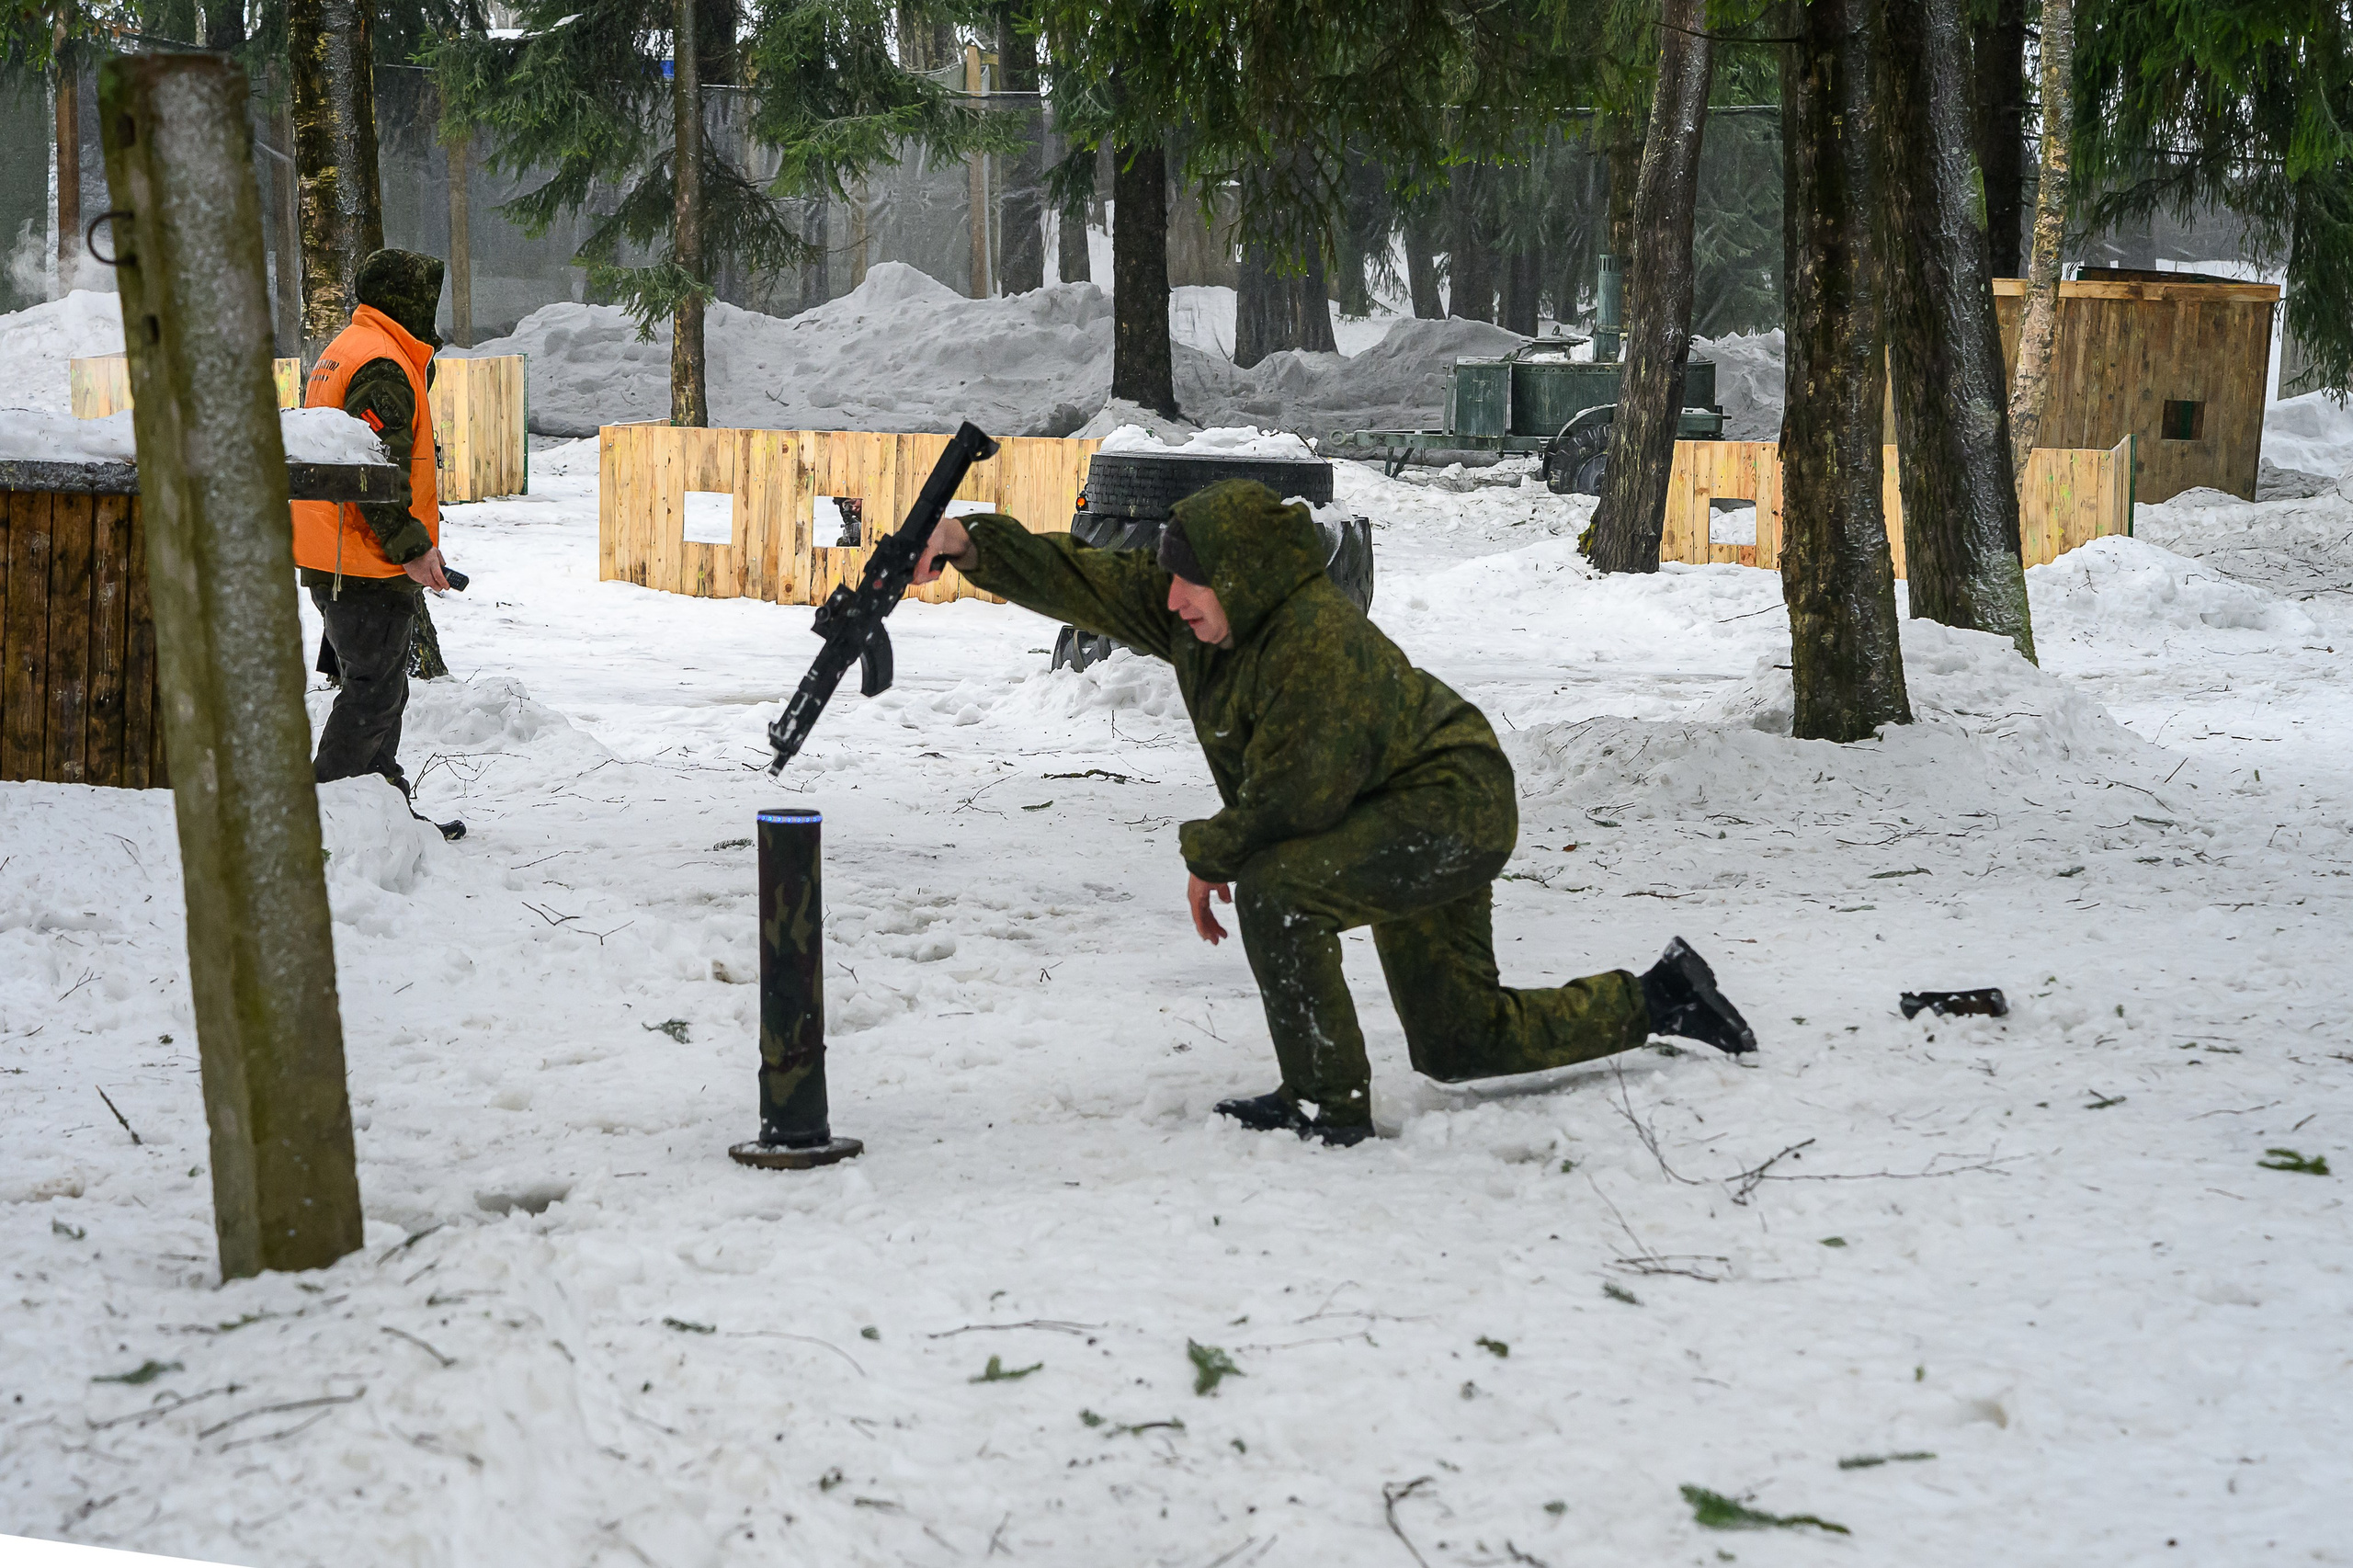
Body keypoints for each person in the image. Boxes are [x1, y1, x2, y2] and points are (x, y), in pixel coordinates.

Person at [914, 480, 1756, 1146]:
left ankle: (1325, 1104)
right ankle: (1663, 997)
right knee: (1459, 1042)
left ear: (1241, 577)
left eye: (1189, 583)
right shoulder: (1200, 612)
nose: (1171, 601)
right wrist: (964, 542)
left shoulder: (1317, 642)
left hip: (1450, 807)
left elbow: (1294, 796)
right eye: (1170, 580)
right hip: (1383, 807)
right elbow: (1078, 574)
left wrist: (1210, 854)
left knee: (1281, 892)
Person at [290, 248, 459, 831]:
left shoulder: (350, 347)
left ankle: (383, 816)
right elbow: (373, 475)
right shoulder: (382, 362)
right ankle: (325, 819)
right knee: (373, 694)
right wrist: (412, 549)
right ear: (408, 301)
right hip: (361, 556)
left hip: (340, 552)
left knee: (381, 689)